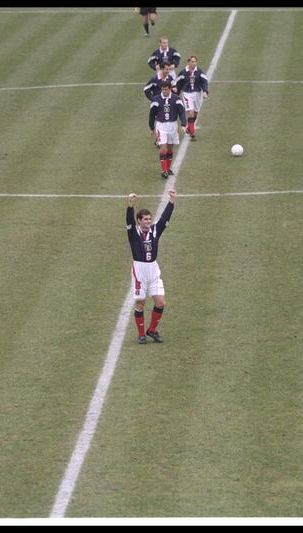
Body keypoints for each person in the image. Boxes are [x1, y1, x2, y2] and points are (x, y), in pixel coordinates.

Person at [126, 189, 177, 344]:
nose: (148, 221)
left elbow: (164, 219)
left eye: (149, 219)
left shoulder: (155, 230)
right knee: (140, 303)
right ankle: (141, 334)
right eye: (145, 219)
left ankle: (152, 330)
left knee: (160, 302)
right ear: (139, 221)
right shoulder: (133, 232)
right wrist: (130, 205)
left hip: (153, 270)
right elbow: (128, 220)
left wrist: (172, 201)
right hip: (140, 271)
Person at [149, 80, 187, 178]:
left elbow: (182, 112)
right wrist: (151, 127)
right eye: (163, 90)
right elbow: (152, 114)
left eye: (166, 90)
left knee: (170, 148)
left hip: (173, 126)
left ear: (170, 89)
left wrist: (183, 124)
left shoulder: (176, 99)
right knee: (163, 150)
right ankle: (164, 170)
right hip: (161, 126)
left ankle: (168, 168)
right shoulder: (156, 100)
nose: (164, 92)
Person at [174, 55, 209, 141]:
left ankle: (189, 128)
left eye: (195, 62)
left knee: (195, 113)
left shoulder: (199, 72)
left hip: (197, 94)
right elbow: (178, 84)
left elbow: (204, 82)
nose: (193, 63)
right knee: (191, 112)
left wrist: (205, 91)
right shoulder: (183, 73)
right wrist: (176, 95)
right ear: (188, 62)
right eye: (192, 62)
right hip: (187, 94)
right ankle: (192, 134)